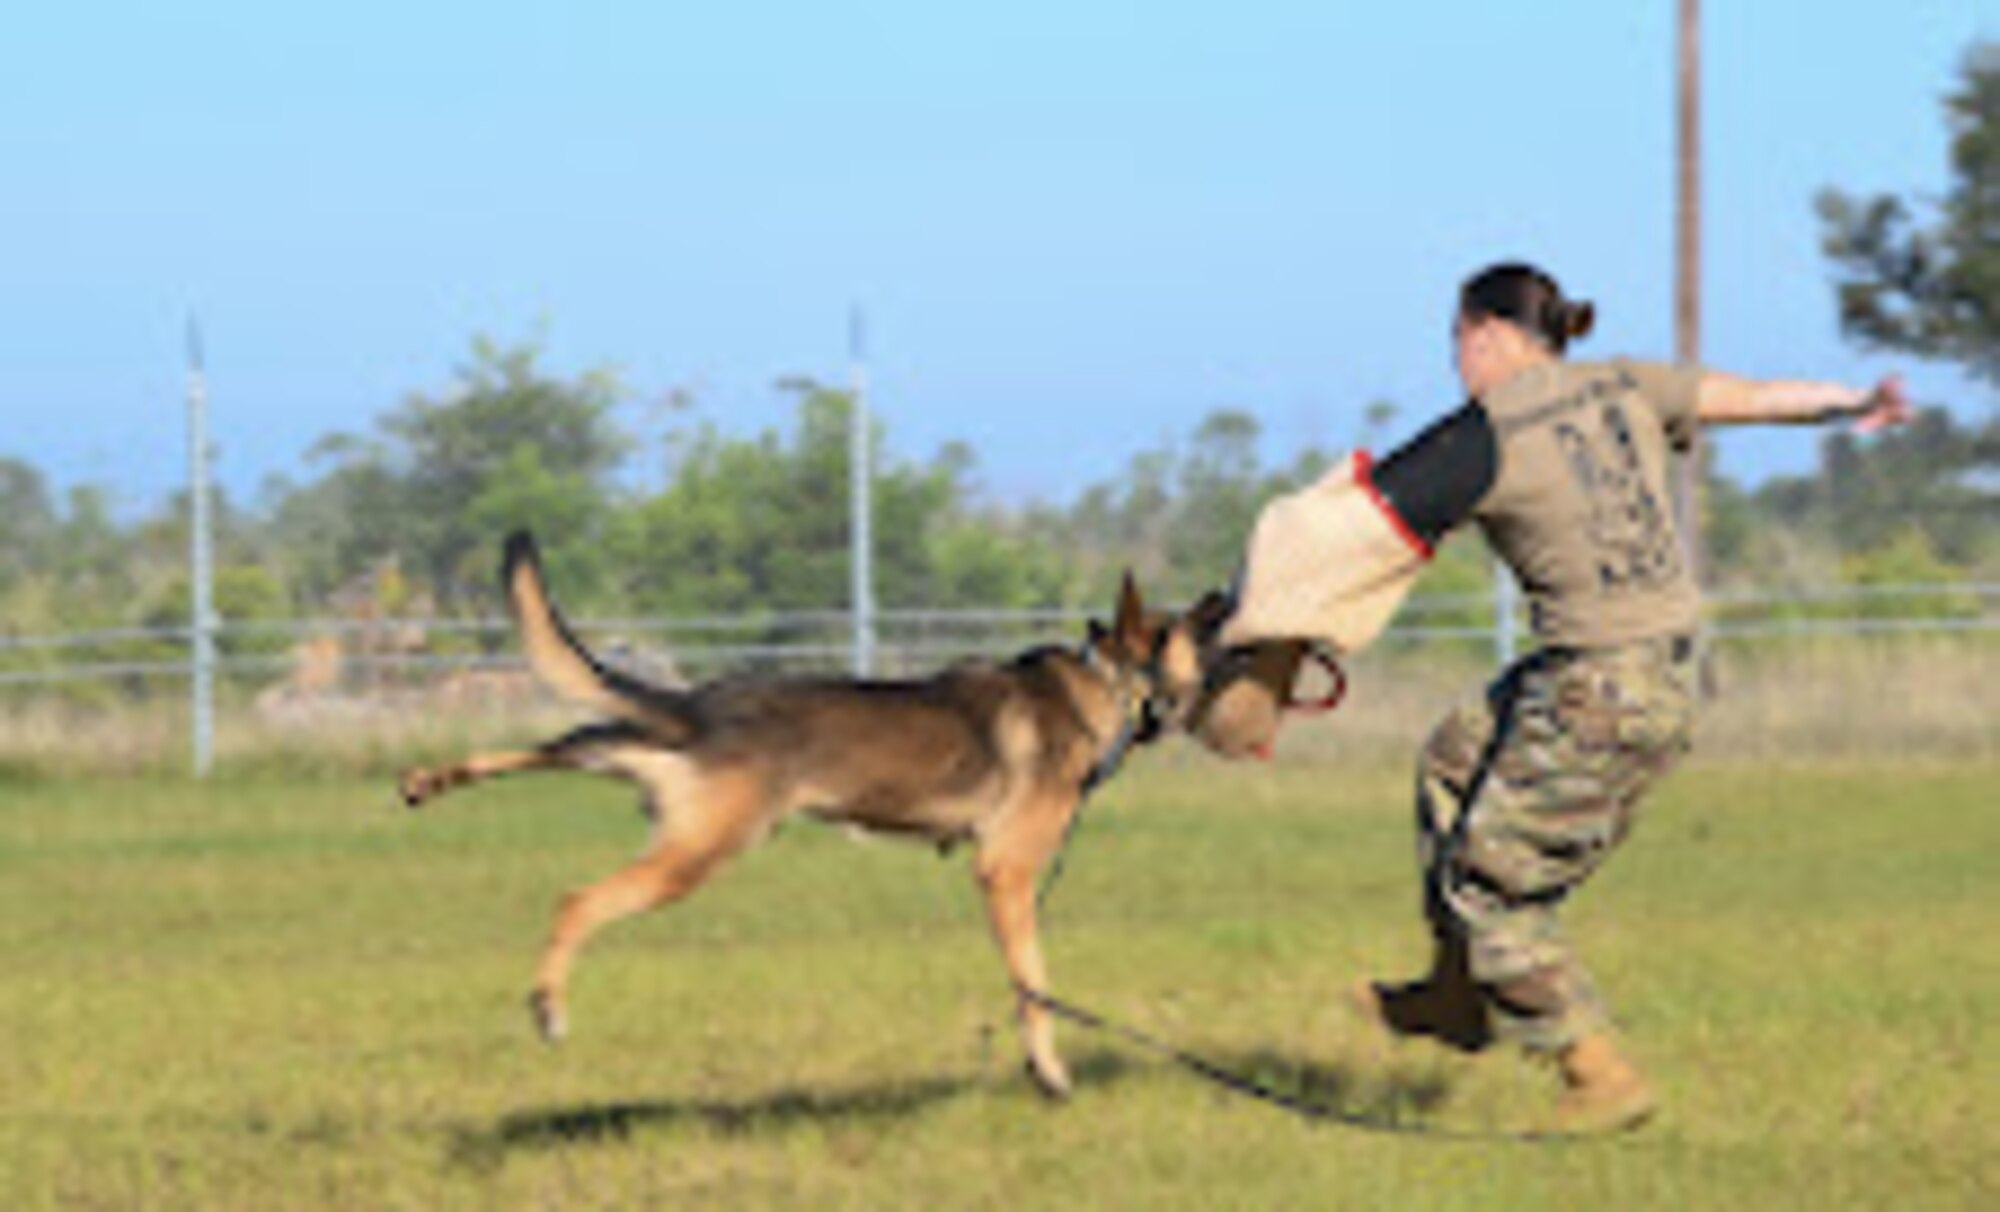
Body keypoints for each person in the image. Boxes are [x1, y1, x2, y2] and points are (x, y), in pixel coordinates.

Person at [1344, 262, 1911, 1134]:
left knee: (1491, 889)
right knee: (1455, 755)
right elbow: (1750, 397)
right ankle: (1459, 998)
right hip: (1663, 670)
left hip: (1600, 690)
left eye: (1458, 340)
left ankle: (1599, 1073)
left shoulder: (1480, 435)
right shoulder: (1624, 384)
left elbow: (1352, 530)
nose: (1456, 359)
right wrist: (1852, 402)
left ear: (1489, 333)